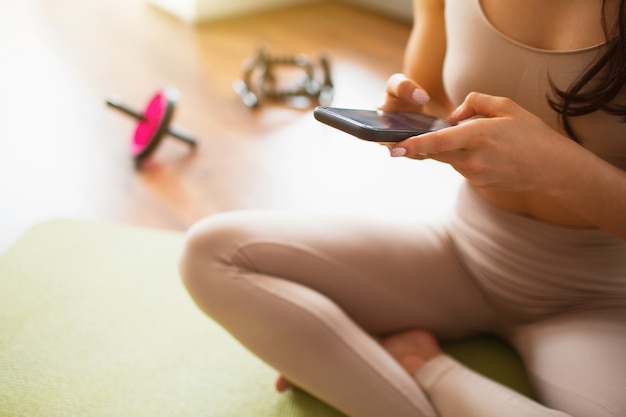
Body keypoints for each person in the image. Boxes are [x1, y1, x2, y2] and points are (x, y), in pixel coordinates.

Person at [179, 0, 626, 416]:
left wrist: (557, 166)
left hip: (600, 298)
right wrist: (406, 106)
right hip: (464, 253)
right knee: (209, 253)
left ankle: (418, 366)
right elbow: (430, 94)